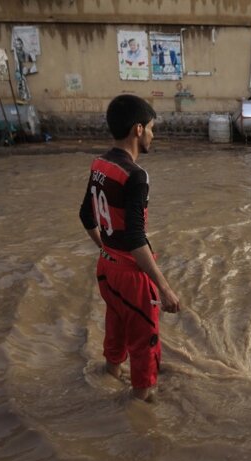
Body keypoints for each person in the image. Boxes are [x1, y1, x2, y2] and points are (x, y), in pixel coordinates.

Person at [78, 94, 181, 402]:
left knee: (117, 329)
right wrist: (165, 289)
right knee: (145, 347)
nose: (153, 134)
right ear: (138, 129)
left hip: (106, 271)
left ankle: (109, 376)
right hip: (131, 278)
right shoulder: (136, 176)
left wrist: (107, 249)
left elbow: (86, 215)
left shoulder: (100, 164)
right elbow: (136, 238)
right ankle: (143, 413)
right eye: (151, 128)